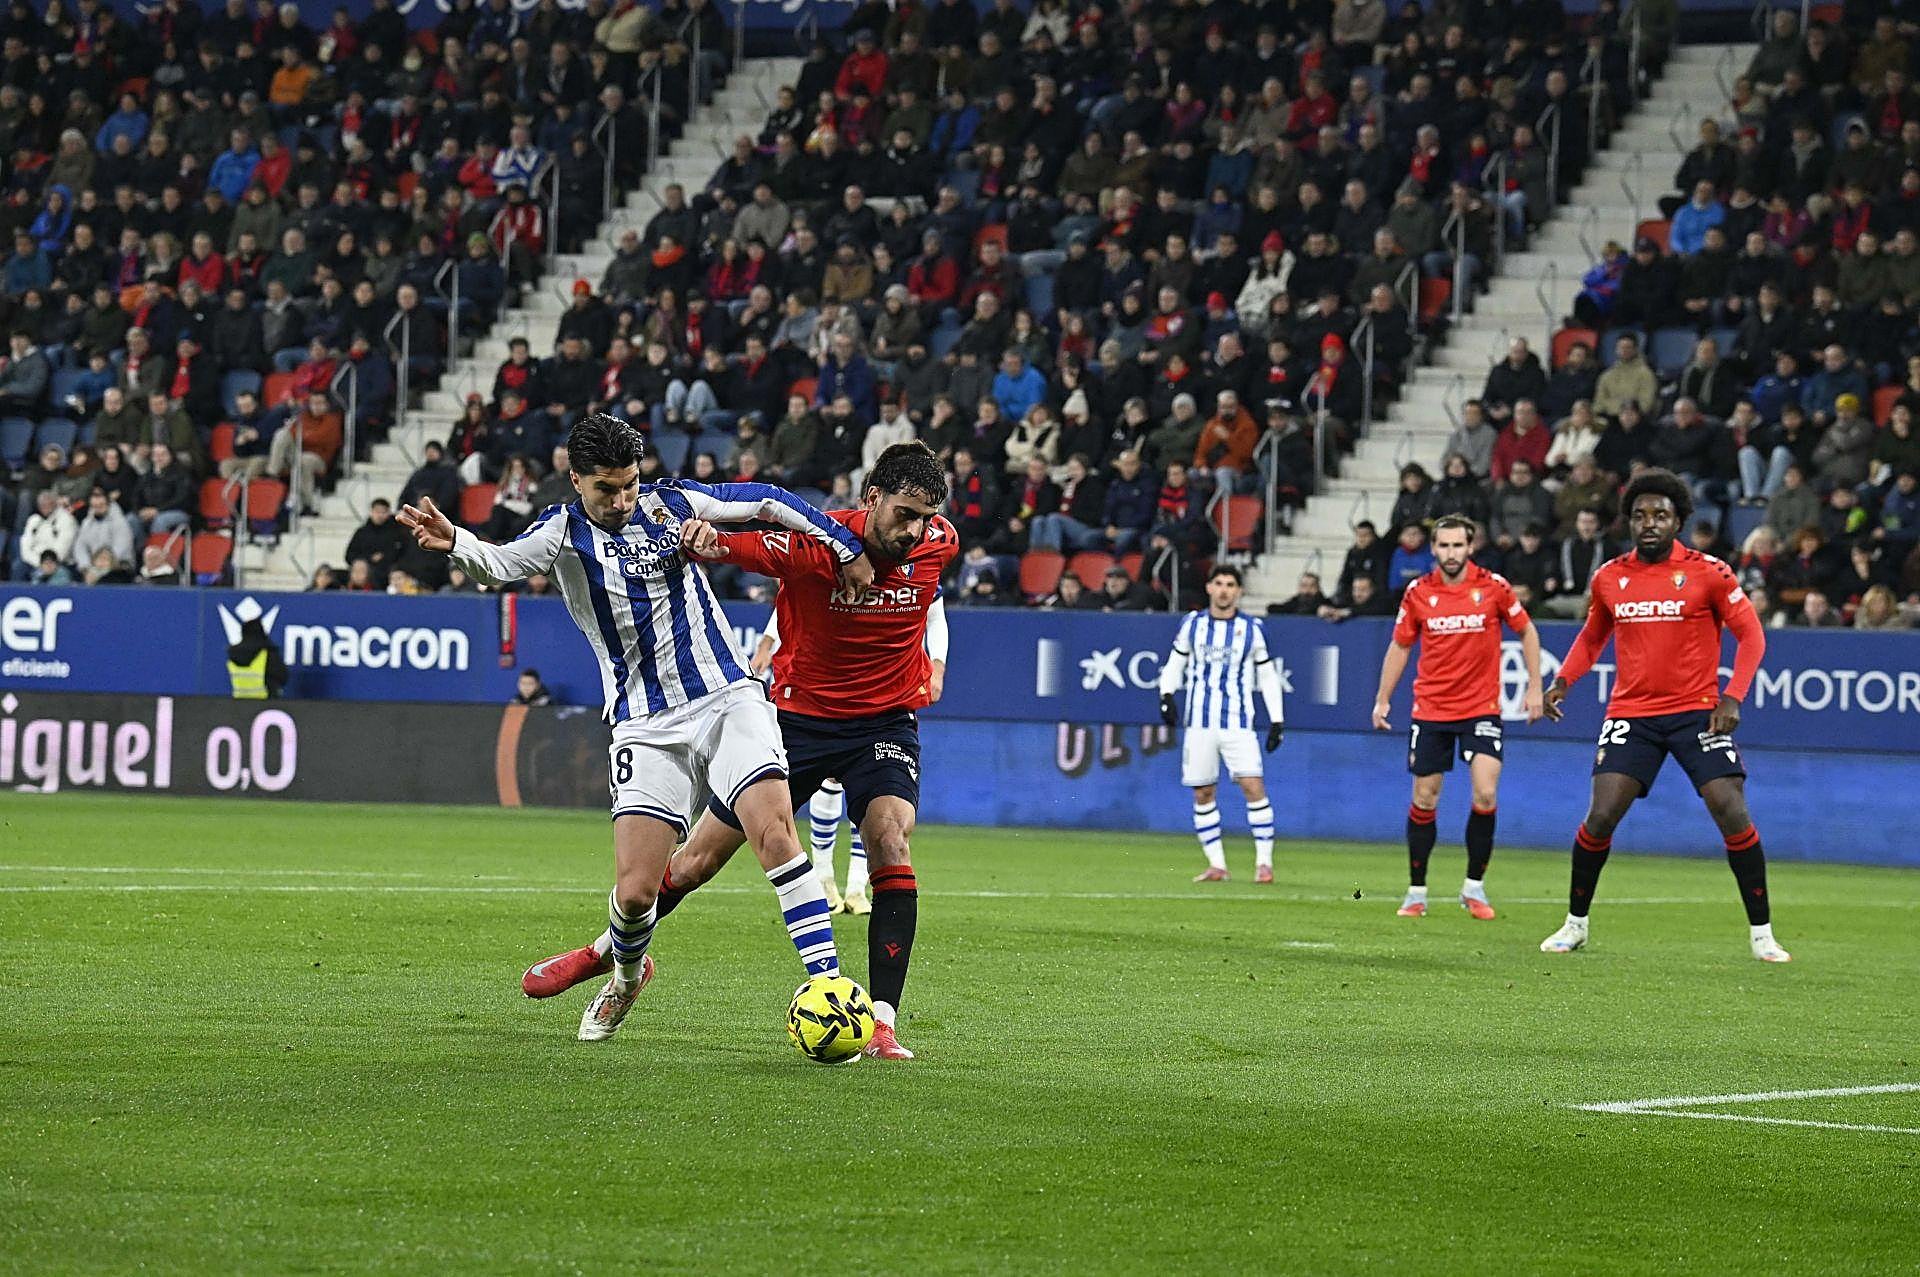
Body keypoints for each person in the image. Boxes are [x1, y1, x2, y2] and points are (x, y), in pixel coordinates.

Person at [397, 414, 874, 1043]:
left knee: (775, 830)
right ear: (576, 481)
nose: (622, 500)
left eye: (629, 485)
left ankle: (828, 986)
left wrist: (848, 549)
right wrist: (456, 539)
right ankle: (625, 976)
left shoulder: (674, 501)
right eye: (606, 489)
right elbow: (501, 564)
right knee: (635, 890)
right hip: (644, 724)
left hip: (726, 699)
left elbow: (772, 500)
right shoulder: (561, 533)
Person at [515, 442, 950, 1062]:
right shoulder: (815, 547)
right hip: (797, 722)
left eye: (926, 518)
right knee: (693, 864)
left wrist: (935, 659)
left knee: (891, 840)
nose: (916, 530)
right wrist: (700, 538)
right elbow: (743, 539)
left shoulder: (941, 542)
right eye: (905, 514)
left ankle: (880, 1022)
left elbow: (933, 600)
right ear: (871, 499)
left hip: (884, 722)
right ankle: (606, 952)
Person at [1540, 468, 1785, 963]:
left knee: (1730, 808)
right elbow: (1593, 636)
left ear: (1679, 521)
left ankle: (1762, 934)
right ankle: (1575, 924)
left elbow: (1752, 636)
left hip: (1697, 713)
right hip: (1632, 712)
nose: (1649, 522)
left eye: (1660, 514)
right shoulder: (1610, 576)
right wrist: (1564, 680)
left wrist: (1732, 695)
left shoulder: (1709, 572)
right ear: (1628, 521)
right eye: (1639, 515)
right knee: (1602, 814)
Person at [1370, 516, 1545, 921]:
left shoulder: (1493, 587)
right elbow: (1399, 646)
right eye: (1444, 546)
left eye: (1458, 545)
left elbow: (1528, 632)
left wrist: (1535, 687)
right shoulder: (1418, 592)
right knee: (1424, 797)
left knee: (1485, 793)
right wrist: (1382, 699)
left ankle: (1473, 888)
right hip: (1431, 710)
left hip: (1481, 708)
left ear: (1471, 547)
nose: (1451, 553)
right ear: (1434, 549)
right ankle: (1416, 892)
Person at [1156, 565, 1286, 884]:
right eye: (1219, 583)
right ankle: (1217, 865)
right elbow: (1176, 661)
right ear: (1209, 588)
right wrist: (1166, 695)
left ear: (1239, 591)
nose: (1225, 590)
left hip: (1238, 723)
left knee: (1253, 786)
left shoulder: (1252, 629)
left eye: (1231, 584)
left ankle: (1264, 864)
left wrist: (1277, 720)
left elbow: (1267, 676)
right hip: (1199, 723)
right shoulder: (1193, 625)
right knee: (1203, 792)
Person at [226, 599, 289, 699]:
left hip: (238, 702)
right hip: (266, 702)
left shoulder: (233, 654)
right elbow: (283, 676)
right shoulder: (267, 653)